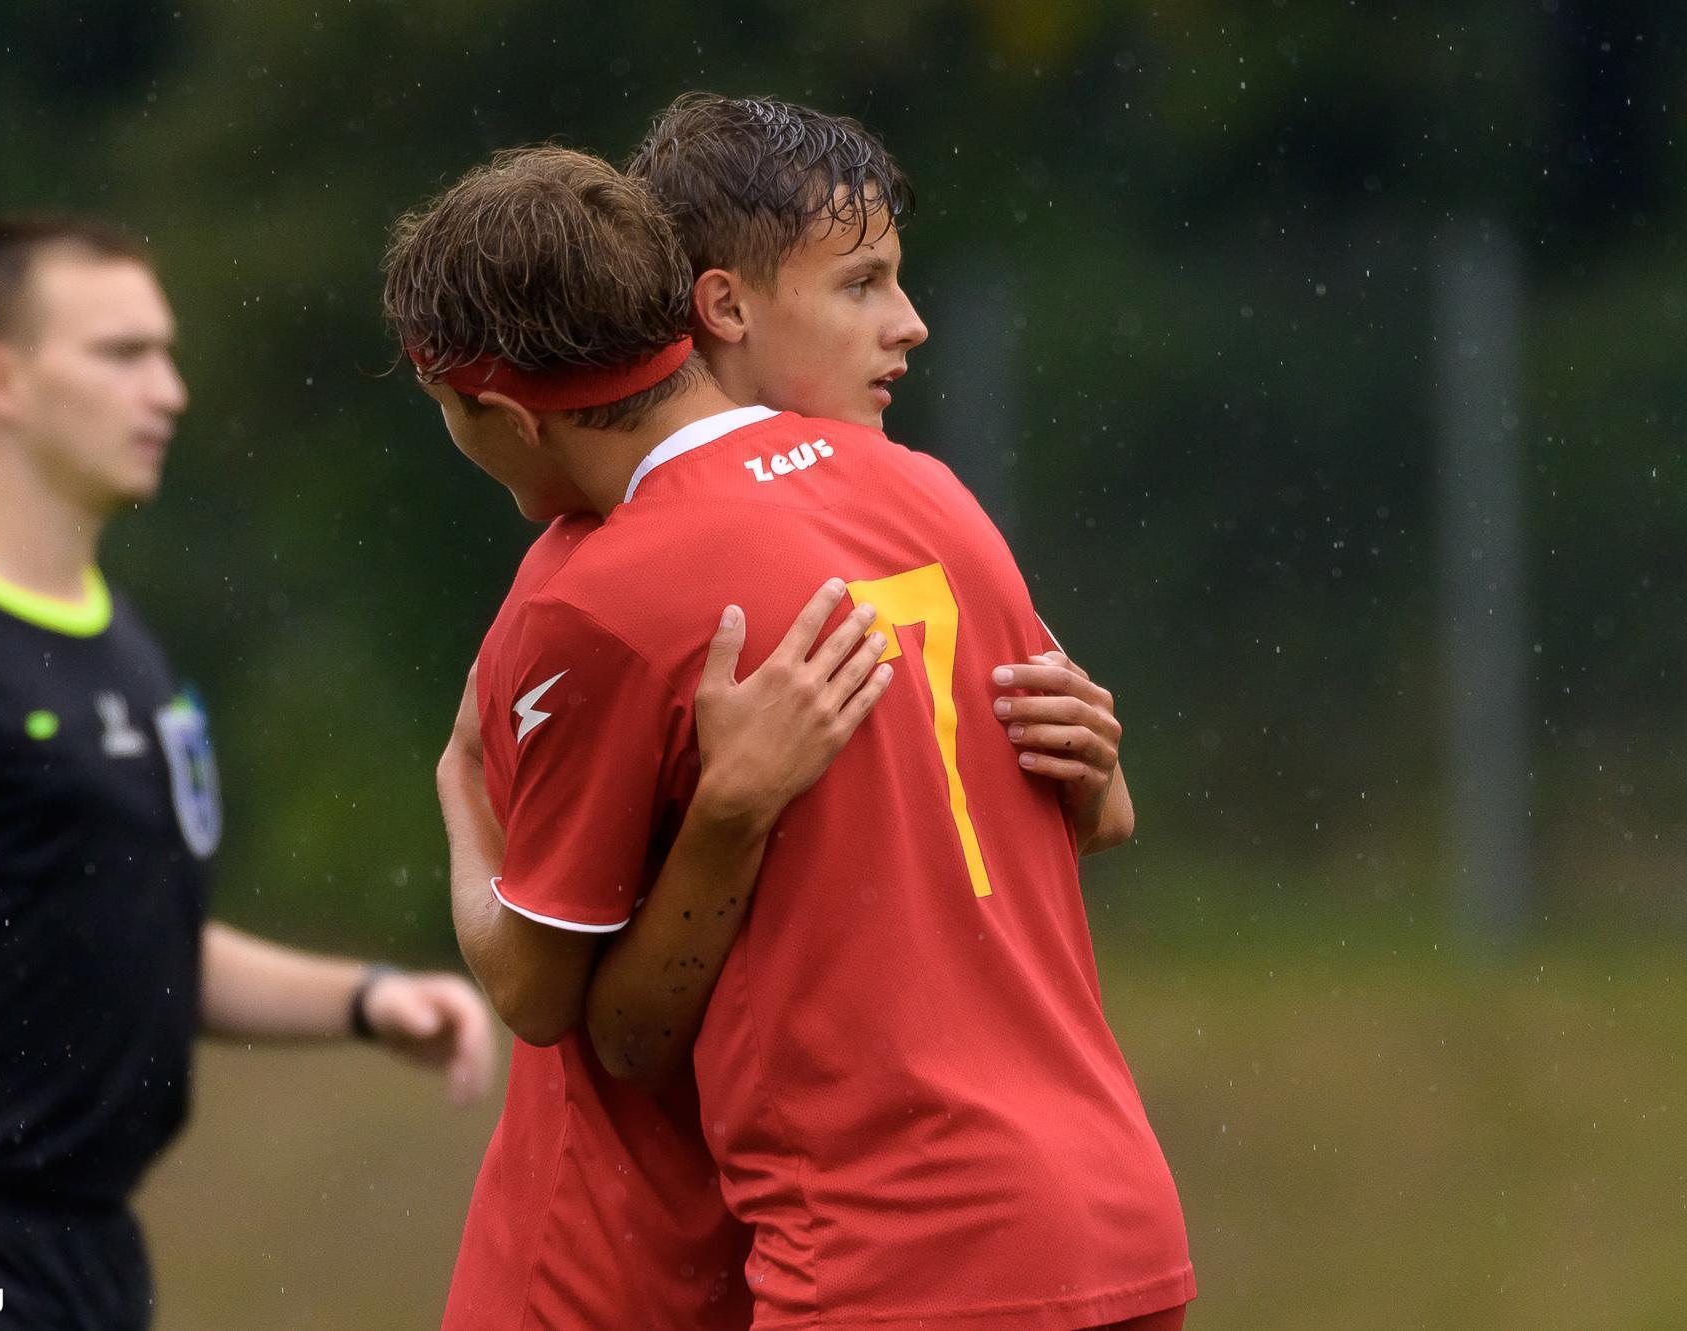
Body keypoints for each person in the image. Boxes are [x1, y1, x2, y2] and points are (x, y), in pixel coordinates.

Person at [386, 146, 1191, 1331]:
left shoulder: (593, 593)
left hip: (884, 1261)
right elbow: (1095, 811)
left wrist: (461, 782)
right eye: (861, 284)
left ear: (499, 414)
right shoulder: (920, 488)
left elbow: (564, 1005)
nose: (904, 324)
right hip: (1116, 1221)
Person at [0, 215, 496, 1330]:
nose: (168, 390)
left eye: (166, 353)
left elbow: (143, 933)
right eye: (123, 353)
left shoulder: (126, 648)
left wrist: (363, 1001)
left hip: (92, 1263)